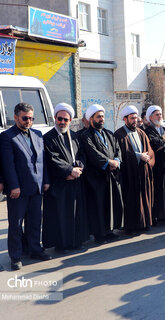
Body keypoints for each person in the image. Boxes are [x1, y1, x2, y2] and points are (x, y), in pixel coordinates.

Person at [1, 102, 52, 270]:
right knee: (16, 224)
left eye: (31, 118)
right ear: (16, 117)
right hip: (18, 190)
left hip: (37, 187)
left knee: (35, 221)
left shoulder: (37, 135)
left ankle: (35, 250)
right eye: (25, 118)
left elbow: (42, 161)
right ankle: (15, 257)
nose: (28, 121)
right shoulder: (7, 137)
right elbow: (8, 165)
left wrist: (45, 181)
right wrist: (14, 186)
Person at [43, 103, 89, 253]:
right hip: (59, 183)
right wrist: (69, 171)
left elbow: (81, 155)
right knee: (60, 215)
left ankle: (76, 242)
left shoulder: (75, 136)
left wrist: (79, 169)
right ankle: (61, 245)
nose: (62, 122)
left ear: (70, 121)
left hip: (75, 182)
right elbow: (52, 159)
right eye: (60, 119)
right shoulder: (48, 138)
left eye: (65, 120)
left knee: (76, 213)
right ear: (55, 118)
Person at [80, 104, 123, 244]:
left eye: (103, 116)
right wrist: (108, 163)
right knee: (98, 205)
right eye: (98, 117)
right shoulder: (86, 136)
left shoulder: (109, 133)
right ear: (91, 118)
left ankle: (109, 230)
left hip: (110, 175)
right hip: (96, 177)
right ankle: (99, 234)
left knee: (110, 203)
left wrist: (116, 161)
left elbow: (117, 149)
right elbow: (93, 153)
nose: (101, 119)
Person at [114, 105, 155, 235]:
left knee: (145, 196)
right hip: (129, 173)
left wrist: (147, 156)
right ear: (125, 119)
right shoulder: (119, 134)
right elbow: (122, 153)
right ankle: (132, 226)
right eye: (132, 118)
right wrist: (138, 156)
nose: (135, 121)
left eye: (136, 118)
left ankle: (145, 223)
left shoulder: (141, 132)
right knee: (131, 199)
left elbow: (148, 148)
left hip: (143, 171)